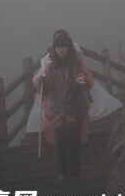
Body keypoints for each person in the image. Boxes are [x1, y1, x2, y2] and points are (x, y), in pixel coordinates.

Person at [34, 30, 94, 179]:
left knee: (73, 140)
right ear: (54, 48)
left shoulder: (77, 64)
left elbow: (88, 81)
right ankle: (62, 171)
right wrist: (41, 82)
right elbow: (44, 83)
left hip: (74, 108)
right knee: (61, 140)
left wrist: (81, 80)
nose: (61, 50)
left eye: (64, 46)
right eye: (58, 47)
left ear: (69, 47)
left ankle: (74, 172)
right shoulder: (50, 65)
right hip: (57, 111)